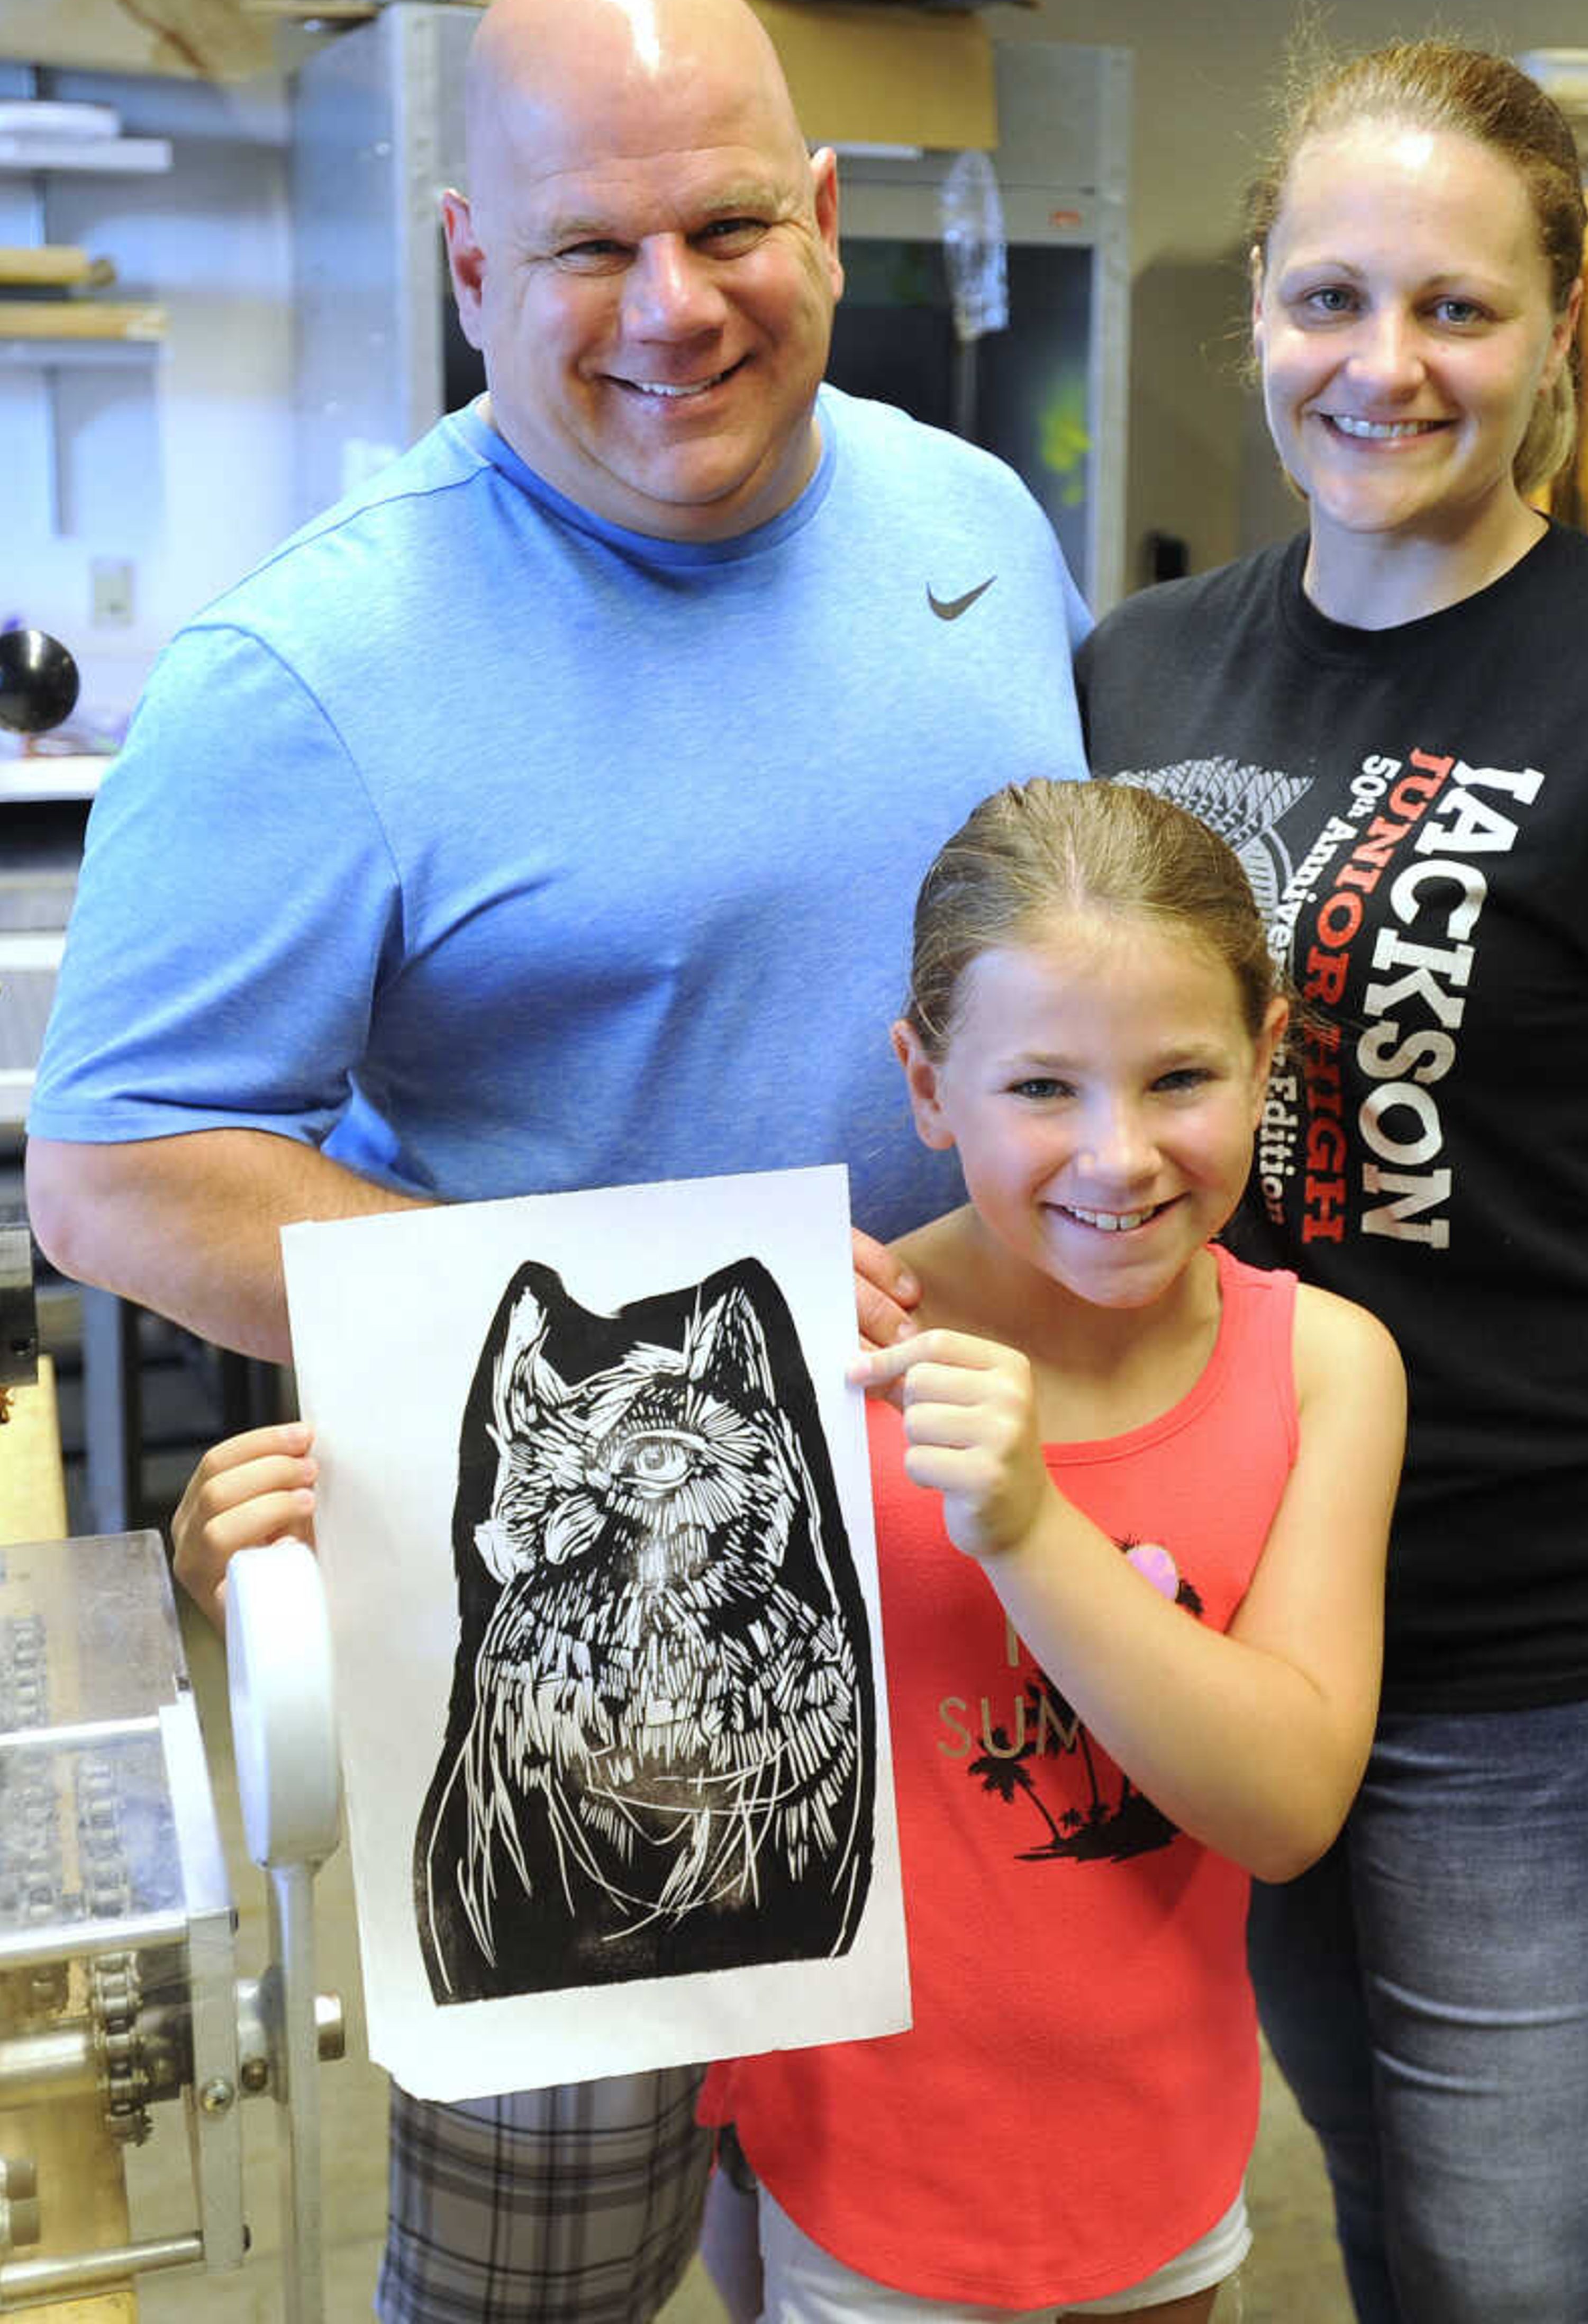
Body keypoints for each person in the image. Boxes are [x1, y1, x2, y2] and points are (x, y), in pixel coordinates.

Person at [25, 0, 1086, 2323]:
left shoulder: (986, 527)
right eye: (590, 251)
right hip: (570, 1660)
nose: (674, 311)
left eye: (729, 229)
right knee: (546, 2292)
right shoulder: (316, 669)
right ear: (471, 262)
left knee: (945, 2263)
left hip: (982, 1586)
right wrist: (649, 1349)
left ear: (825, 218)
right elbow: (115, 1170)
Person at [1074, 36, 1588, 2323]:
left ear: (1558, 327)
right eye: (1330, 297)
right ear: (1259, 301)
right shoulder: (1138, 668)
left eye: (1455, 309)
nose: (1385, 365)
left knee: (1514, 2281)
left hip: (1549, 1665)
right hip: (1232, 1629)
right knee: (1372, 2205)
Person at [183, 777, 1408, 2323]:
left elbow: (1287, 1802)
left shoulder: (1325, 1366)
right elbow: (507, 1636)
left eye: (1179, 1077)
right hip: (858, 2175)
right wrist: (268, 1561)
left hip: (1165, 2151)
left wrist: (1030, 1527)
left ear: (1268, 1055)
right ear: (923, 1080)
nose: (1119, 1155)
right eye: (1042, 1087)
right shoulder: (819, 1365)